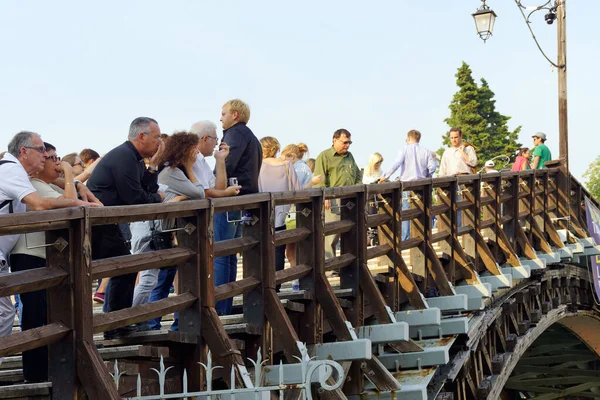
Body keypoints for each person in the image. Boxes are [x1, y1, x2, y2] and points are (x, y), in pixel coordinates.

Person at [0, 132, 98, 367]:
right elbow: (39, 204)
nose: (45, 155)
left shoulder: (17, 172)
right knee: (4, 314)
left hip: (2, 258)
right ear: (23, 152)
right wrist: (76, 202)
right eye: (41, 149)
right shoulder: (11, 169)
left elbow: (50, 184)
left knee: (5, 314)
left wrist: (74, 183)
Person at [86, 117, 166, 339]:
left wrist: (154, 166)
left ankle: (116, 324)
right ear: (142, 136)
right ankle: (113, 325)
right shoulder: (124, 156)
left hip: (107, 222)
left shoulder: (134, 158)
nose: (160, 142)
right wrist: (157, 198)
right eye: (157, 137)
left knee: (124, 268)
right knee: (122, 268)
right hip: (98, 223)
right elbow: (135, 198)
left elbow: (145, 187)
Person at [214, 99, 261, 315]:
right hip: (245, 197)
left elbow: (227, 165)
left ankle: (220, 308)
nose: (220, 117)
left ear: (234, 115)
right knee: (230, 253)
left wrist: (213, 184)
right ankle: (225, 305)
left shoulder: (234, 134)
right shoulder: (250, 135)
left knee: (222, 252)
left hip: (231, 197)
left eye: (223, 114)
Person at [313, 129, 362, 260]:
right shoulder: (324, 156)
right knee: (331, 235)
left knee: (350, 232)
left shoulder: (349, 156)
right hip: (333, 199)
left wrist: (357, 189)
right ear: (335, 140)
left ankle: (348, 264)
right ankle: (330, 267)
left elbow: (358, 175)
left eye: (349, 142)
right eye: (345, 142)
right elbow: (319, 179)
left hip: (350, 199)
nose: (347, 145)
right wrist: (325, 196)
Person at [259, 137, 301, 288]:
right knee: (278, 251)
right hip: (281, 216)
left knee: (261, 251)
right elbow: (296, 191)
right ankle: (275, 285)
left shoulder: (258, 166)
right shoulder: (287, 165)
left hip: (262, 215)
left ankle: (263, 286)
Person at [379, 129, 437, 241]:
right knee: (421, 211)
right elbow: (432, 167)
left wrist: (385, 176)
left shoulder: (404, 150)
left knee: (406, 212)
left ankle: (406, 239)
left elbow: (396, 164)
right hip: (421, 185)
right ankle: (421, 238)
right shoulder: (426, 151)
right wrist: (427, 176)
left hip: (407, 185)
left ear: (408, 138)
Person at [439, 128, 478, 228]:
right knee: (451, 207)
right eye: (451, 138)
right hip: (451, 181)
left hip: (465, 180)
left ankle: (464, 229)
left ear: (460, 137)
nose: (454, 140)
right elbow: (442, 170)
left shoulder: (468, 149)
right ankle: (454, 229)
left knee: (465, 207)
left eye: (456, 137)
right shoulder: (447, 152)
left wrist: (462, 152)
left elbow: (473, 162)